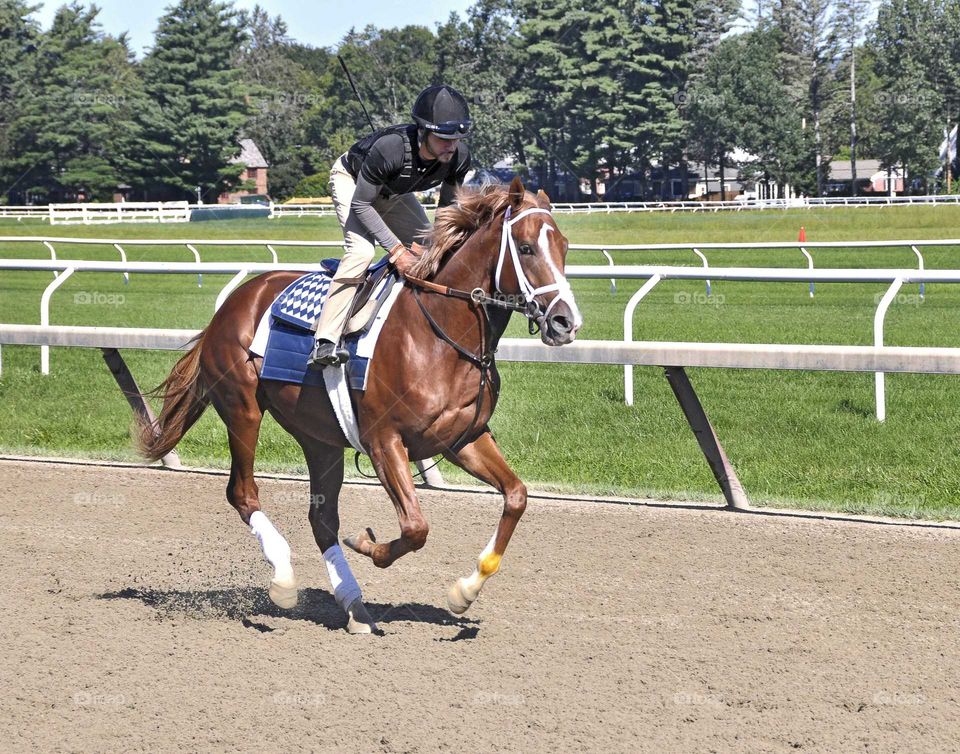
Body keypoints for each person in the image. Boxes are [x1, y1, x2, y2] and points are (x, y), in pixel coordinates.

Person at [307, 84, 473, 368]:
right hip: (353, 183)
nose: (452, 145)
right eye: (444, 137)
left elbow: (445, 210)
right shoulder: (391, 149)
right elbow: (362, 204)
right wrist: (397, 251)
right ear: (423, 132)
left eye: (457, 137)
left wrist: (440, 242)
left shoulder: (458, 157)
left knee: (436, 248)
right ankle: (326, 341)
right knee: (361, 252)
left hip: (394, 192)